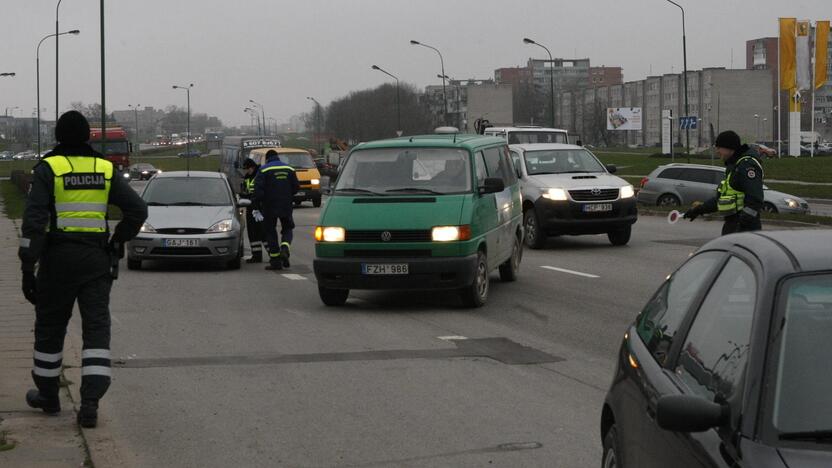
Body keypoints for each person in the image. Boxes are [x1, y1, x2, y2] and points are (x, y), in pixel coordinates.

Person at [19, 111, 148, 428]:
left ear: (58, 137)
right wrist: (118, 240)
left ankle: (48, 396)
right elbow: (137, 209)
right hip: (95, 261)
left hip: (58, 262)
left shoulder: (49, 168)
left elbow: (34, 223)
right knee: (96, 329)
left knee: (50, 329)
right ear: (89, 137)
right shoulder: (104, 169)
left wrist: (27, 267)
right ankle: (90, 401)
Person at [683, 130, 764, 235]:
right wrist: (698, 210)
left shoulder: (746, 165)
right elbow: (721, 199)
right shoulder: (734, 166)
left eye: (719, 147)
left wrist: (741, 225)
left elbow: (755, 200)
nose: (717, 151)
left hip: (745, 230)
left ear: (729, 147)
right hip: (733, 225)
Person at [253, 150, 299, 270]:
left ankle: (276, 261)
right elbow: (296, 187)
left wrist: (257, 205)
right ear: (278, 157)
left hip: (269, 206)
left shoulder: (263, 170)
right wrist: (287, 196)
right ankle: (284, 248)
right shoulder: (290, 169)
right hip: (286, 205)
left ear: (267, 158)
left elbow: (258, 191)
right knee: (288, 228)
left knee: (270, 231)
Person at [240, 158, 265, 263]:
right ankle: (257, 255)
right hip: (250, 207)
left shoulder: (259, 175)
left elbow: (259, 192)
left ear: (252, 167)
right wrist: (243, 194)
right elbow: (246, 190)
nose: (246, 171)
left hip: (259, 207)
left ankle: (274, 255)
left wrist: (248, 195)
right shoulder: (247, 177)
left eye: (247, 169)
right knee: (252, 232)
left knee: (263, 232)